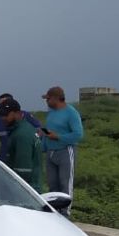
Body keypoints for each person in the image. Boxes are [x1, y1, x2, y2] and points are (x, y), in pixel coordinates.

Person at [41, 86, 83, 215]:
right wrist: (43, 145)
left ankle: (65, 213)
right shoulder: (51, 112)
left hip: (65, 151)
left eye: (48, 99)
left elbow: (78, 134)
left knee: (65, 184)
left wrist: (58, 137)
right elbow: (49, 131)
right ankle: (54, 211)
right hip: (51, 153)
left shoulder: (71, 113)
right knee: (52, 184)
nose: (46, 101)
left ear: (56, 98)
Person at [0, 98, 42, 192]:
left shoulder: (22, 135)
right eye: (1, 115)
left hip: (25, 191)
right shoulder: (19, 130)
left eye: (6, 115)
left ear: (17, 113)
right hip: (28, 189)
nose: (3, 118)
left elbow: (23, 171)